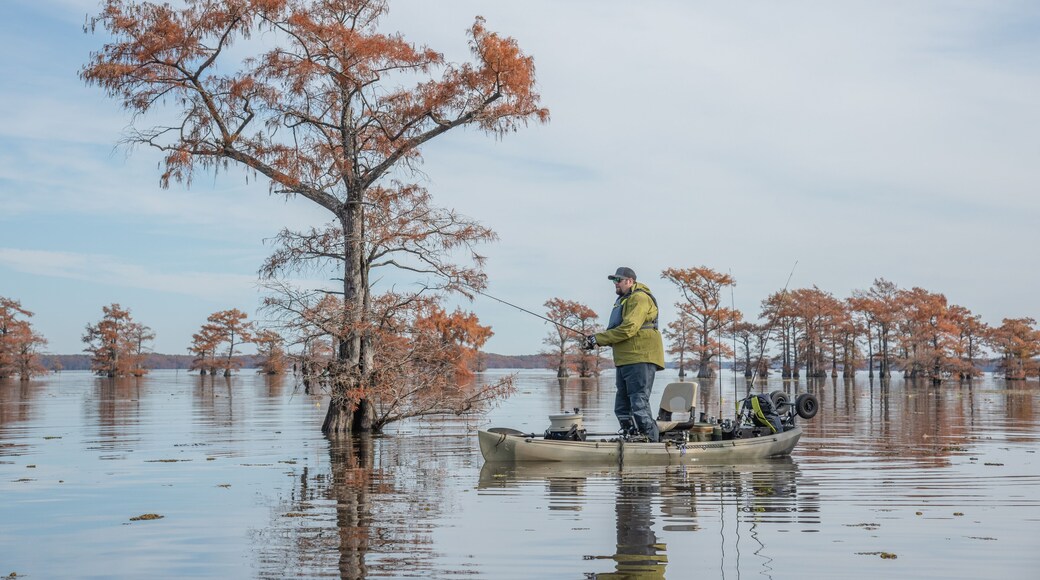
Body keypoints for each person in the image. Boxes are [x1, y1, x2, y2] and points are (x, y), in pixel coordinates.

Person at [583, 267, 665, 442]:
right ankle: (632, 436)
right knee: (621, 406)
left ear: (629, 281)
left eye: (617, 280)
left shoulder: (639, 298)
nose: (615, 284)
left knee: (639, 403)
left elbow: (629, 329)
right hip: (625, 359)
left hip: (640, 357)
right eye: (614, 281)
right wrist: (595, 340)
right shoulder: (623, 300)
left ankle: (651, 441)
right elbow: (617, 331)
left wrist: (598, 339)